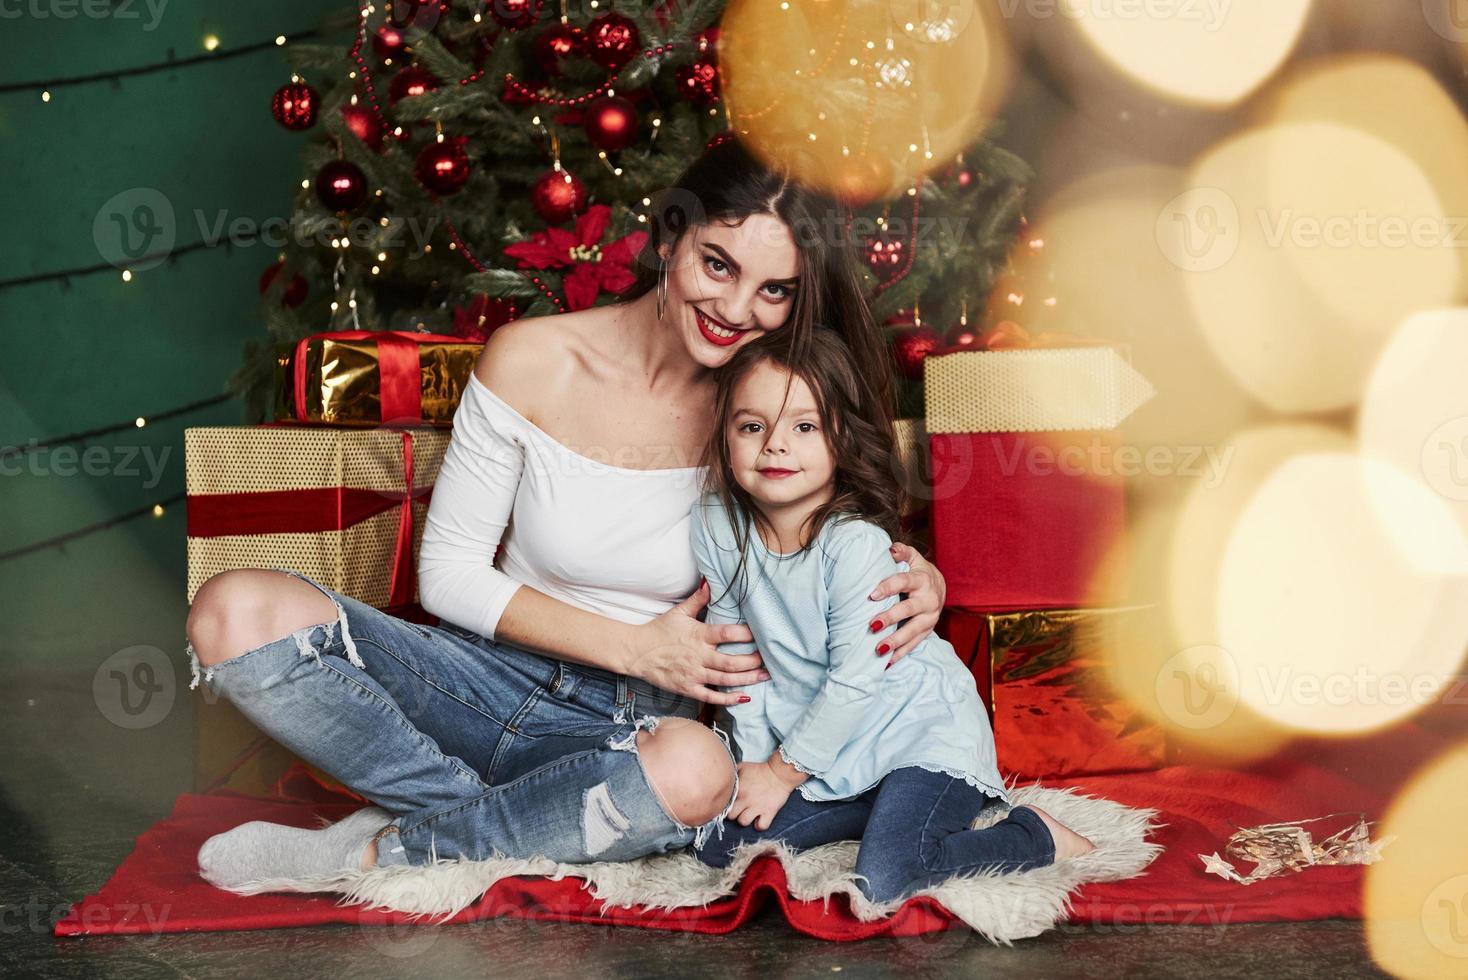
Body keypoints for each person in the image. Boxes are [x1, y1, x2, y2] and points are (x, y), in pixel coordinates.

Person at [185, 138, 951, 891]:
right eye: (717, 265)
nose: (736, 308)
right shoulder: (532, 359)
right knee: (233, 613)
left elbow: (835, 547)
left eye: (774, 290)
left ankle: (380, 854)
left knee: (696, 772)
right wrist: (639, 648)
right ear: (672, 235)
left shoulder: (774, 409)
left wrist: (922, 582)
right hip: (473, 682)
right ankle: (502, 824)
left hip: (632, 731)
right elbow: (447, 575)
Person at [687, 328, 1095, 905]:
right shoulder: (717, 522)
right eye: (752, 426)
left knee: (887, 874)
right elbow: (737, 655)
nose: (775, 446)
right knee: (721, 846)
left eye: (804, 427)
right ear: (725, 435)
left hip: (917, 734)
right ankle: (876, 804)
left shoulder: (852, 545)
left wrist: (782, 774)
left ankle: (1033, 834)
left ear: (842, 441)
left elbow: (855, 682)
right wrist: (754, 767)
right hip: (833, 746)